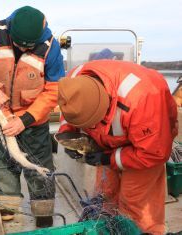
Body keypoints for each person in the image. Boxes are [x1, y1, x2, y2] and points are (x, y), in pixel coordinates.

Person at [0, 6, 64, 227]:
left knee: (39, 166)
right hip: (1, 115)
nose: (22, 48)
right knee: (1, 163)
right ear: (12, 32)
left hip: (33, 119)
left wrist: (25, 120)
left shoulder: (51, 47)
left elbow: (54, 89)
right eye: (18, 44)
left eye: (28, 46)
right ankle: (7, 212)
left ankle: (43, 215)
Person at [57, 59, 178, 234]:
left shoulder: (144, 98)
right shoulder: (74, 82)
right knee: (106, 195)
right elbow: (68, 113)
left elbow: (153, 153)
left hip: (148, 145)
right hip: (108, 139)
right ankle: (109, 229)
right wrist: (69, 134)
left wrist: (109, 158)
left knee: (136, 206)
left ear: (104, 109)